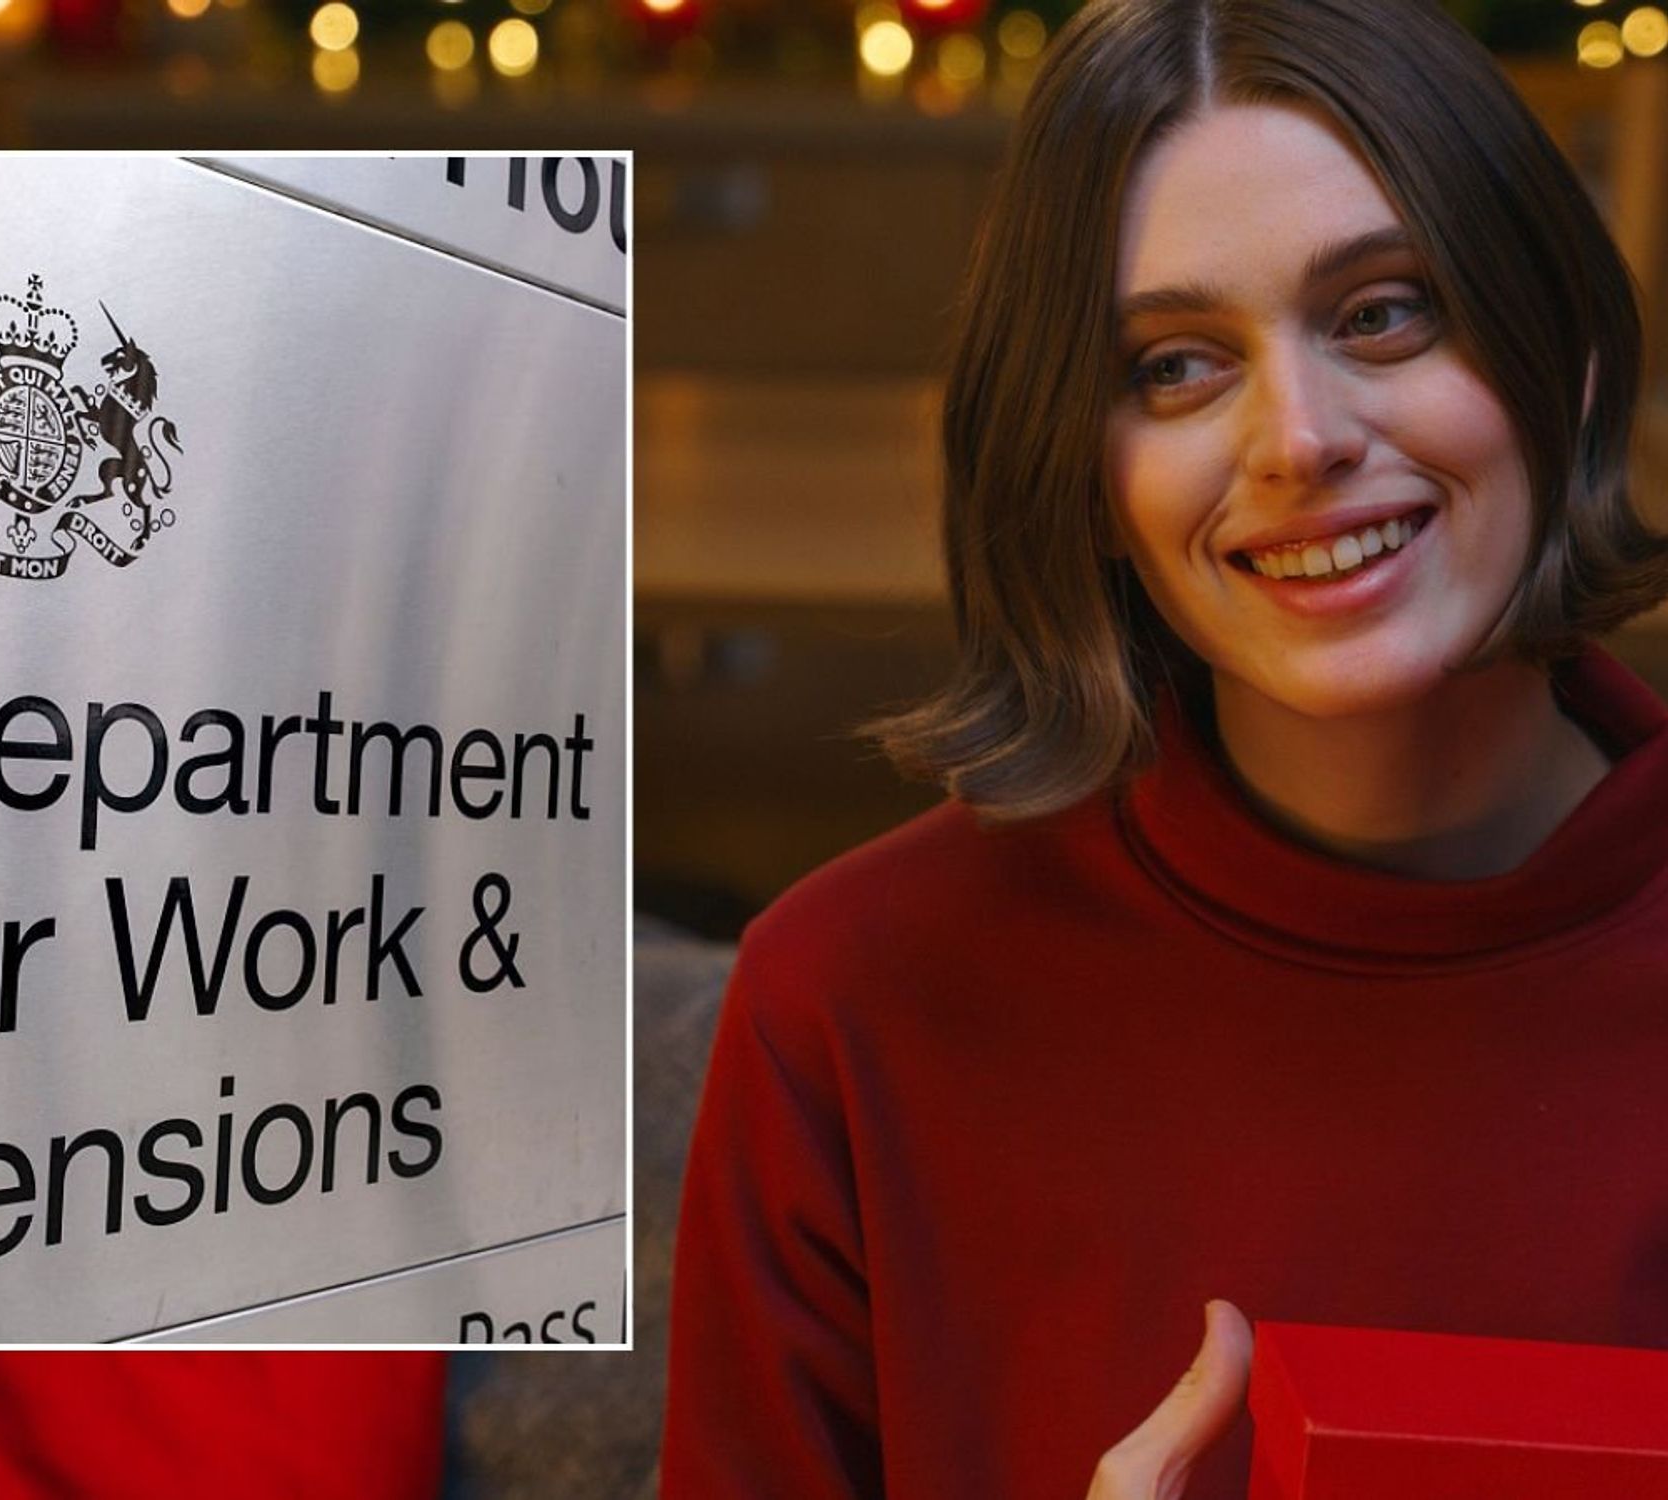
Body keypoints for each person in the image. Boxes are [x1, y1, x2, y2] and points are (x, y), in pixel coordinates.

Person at [659, 2, 1668, 1497]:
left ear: (1566, 353)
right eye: (1176, 366)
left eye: (1385, 311)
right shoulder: (853, 1008)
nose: (1297, 439)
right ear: (1083, 471)